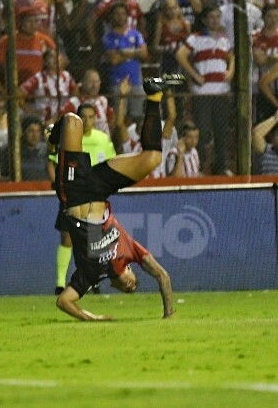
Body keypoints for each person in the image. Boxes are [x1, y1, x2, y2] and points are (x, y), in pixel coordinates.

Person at [47, 76, 180, 321]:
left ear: (115, 285)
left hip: (75, 193)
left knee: (73, 121)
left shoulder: (91, 275)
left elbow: (63, 302)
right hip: (99, 190)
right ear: (130, 269)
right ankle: (154, 95)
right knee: (152, 159)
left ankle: (53, 141)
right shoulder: (129, 250)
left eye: (128, 289)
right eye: (134, 283)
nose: (131, 286)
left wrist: (92, 318)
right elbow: (162, 275)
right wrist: (168, 314)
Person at [47, 103, 117, 295]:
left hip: (94, 195)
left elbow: (111, 163)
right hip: (73, 193)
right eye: (83, 117)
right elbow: (52, 163)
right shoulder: (70, 138)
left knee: (95, 240)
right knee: (67, 237)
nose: (87, 121)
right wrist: (57, 185)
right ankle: (60, 283)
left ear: (96, 119)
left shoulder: (102, 139)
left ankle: (94, 281)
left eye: (91, 117)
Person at [175, 5, 235, 175]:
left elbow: (232, 57)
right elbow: (180, 55)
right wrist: (194, 75)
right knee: (201, 131)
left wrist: (231, 71)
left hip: (221, 92)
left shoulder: (224, 39)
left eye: (217, 17)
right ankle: (198, 166)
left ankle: (221, 166)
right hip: (202, 93)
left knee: (221, 130)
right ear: (204, 20)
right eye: (211, 17)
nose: (215, 20)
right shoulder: (196, 38)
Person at [103, 1, 149, 127]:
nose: (120, 17)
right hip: (117, 82)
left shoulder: (136, 34)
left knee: (137, 117)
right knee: (119, 117)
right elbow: (114, 60)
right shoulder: (108, 37)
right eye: (117, 14)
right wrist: (134, 52)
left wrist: (123, 52)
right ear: (112, 16)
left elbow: (144, 53)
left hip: (136, 81)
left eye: (123, 14)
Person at [252, 4, 278, 122]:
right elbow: (260, 60)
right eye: (270, 16)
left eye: (276, 16)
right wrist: (274, 58)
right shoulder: (255, 36)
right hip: (260, 88)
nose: (273, 20)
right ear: (263, 17)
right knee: (263, 122)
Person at [0, 5, 56, 86]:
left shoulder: (44, 39)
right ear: (20, 22)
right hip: (14, 84)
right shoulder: (7, 40)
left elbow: (59, 60)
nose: (33, 25)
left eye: (36, 21)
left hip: (38, 84)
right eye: (29, 21)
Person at [19, 50, 78, 123]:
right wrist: (31, 112)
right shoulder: (38, 78)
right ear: (45, 62)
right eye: (51, 56)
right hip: (45, 118)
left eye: (58, 56)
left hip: (64, 116)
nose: (56, 59)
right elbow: (19, 93)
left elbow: (75, 92)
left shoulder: (67, 76)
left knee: (76, 101)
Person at [0, 115, 49, 180]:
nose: (35, 135)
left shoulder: (46, 150)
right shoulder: (8, 151)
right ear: (23, 132)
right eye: (30, 131)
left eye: (38, 131)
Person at [69, 69, 114, 136]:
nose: (94, 86)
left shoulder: (103, 100)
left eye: (97, 82)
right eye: (90, 82)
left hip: (104, 140)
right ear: (83, 83)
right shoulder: (75, 102)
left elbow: (111, 119)